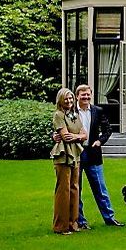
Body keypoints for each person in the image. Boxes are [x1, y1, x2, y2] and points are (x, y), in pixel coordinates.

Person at [74, 84, 123, 229]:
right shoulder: (71, 112)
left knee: (100, 188)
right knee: (77, 189)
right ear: (77, 96)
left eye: (88, 94)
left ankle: (109, 218)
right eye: (83, 95)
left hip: (93, 153)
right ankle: (81, 221)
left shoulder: (97, 110)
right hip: (76, 153)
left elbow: (108, 129)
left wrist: (100, 141)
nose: (86, 97)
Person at [50, 88, 86, 235]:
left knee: (75, 188)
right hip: (63, 155)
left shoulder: (74, 115)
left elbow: (85, 134)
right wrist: (79, 136)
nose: (69, 101)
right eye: (66, 99)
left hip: (75, 155)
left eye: (71, 98)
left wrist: (77, 136)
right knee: (63, 190)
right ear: (60, 100)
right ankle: (61, 226)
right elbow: (65, 137)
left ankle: (73, 223)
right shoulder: (58, 115)